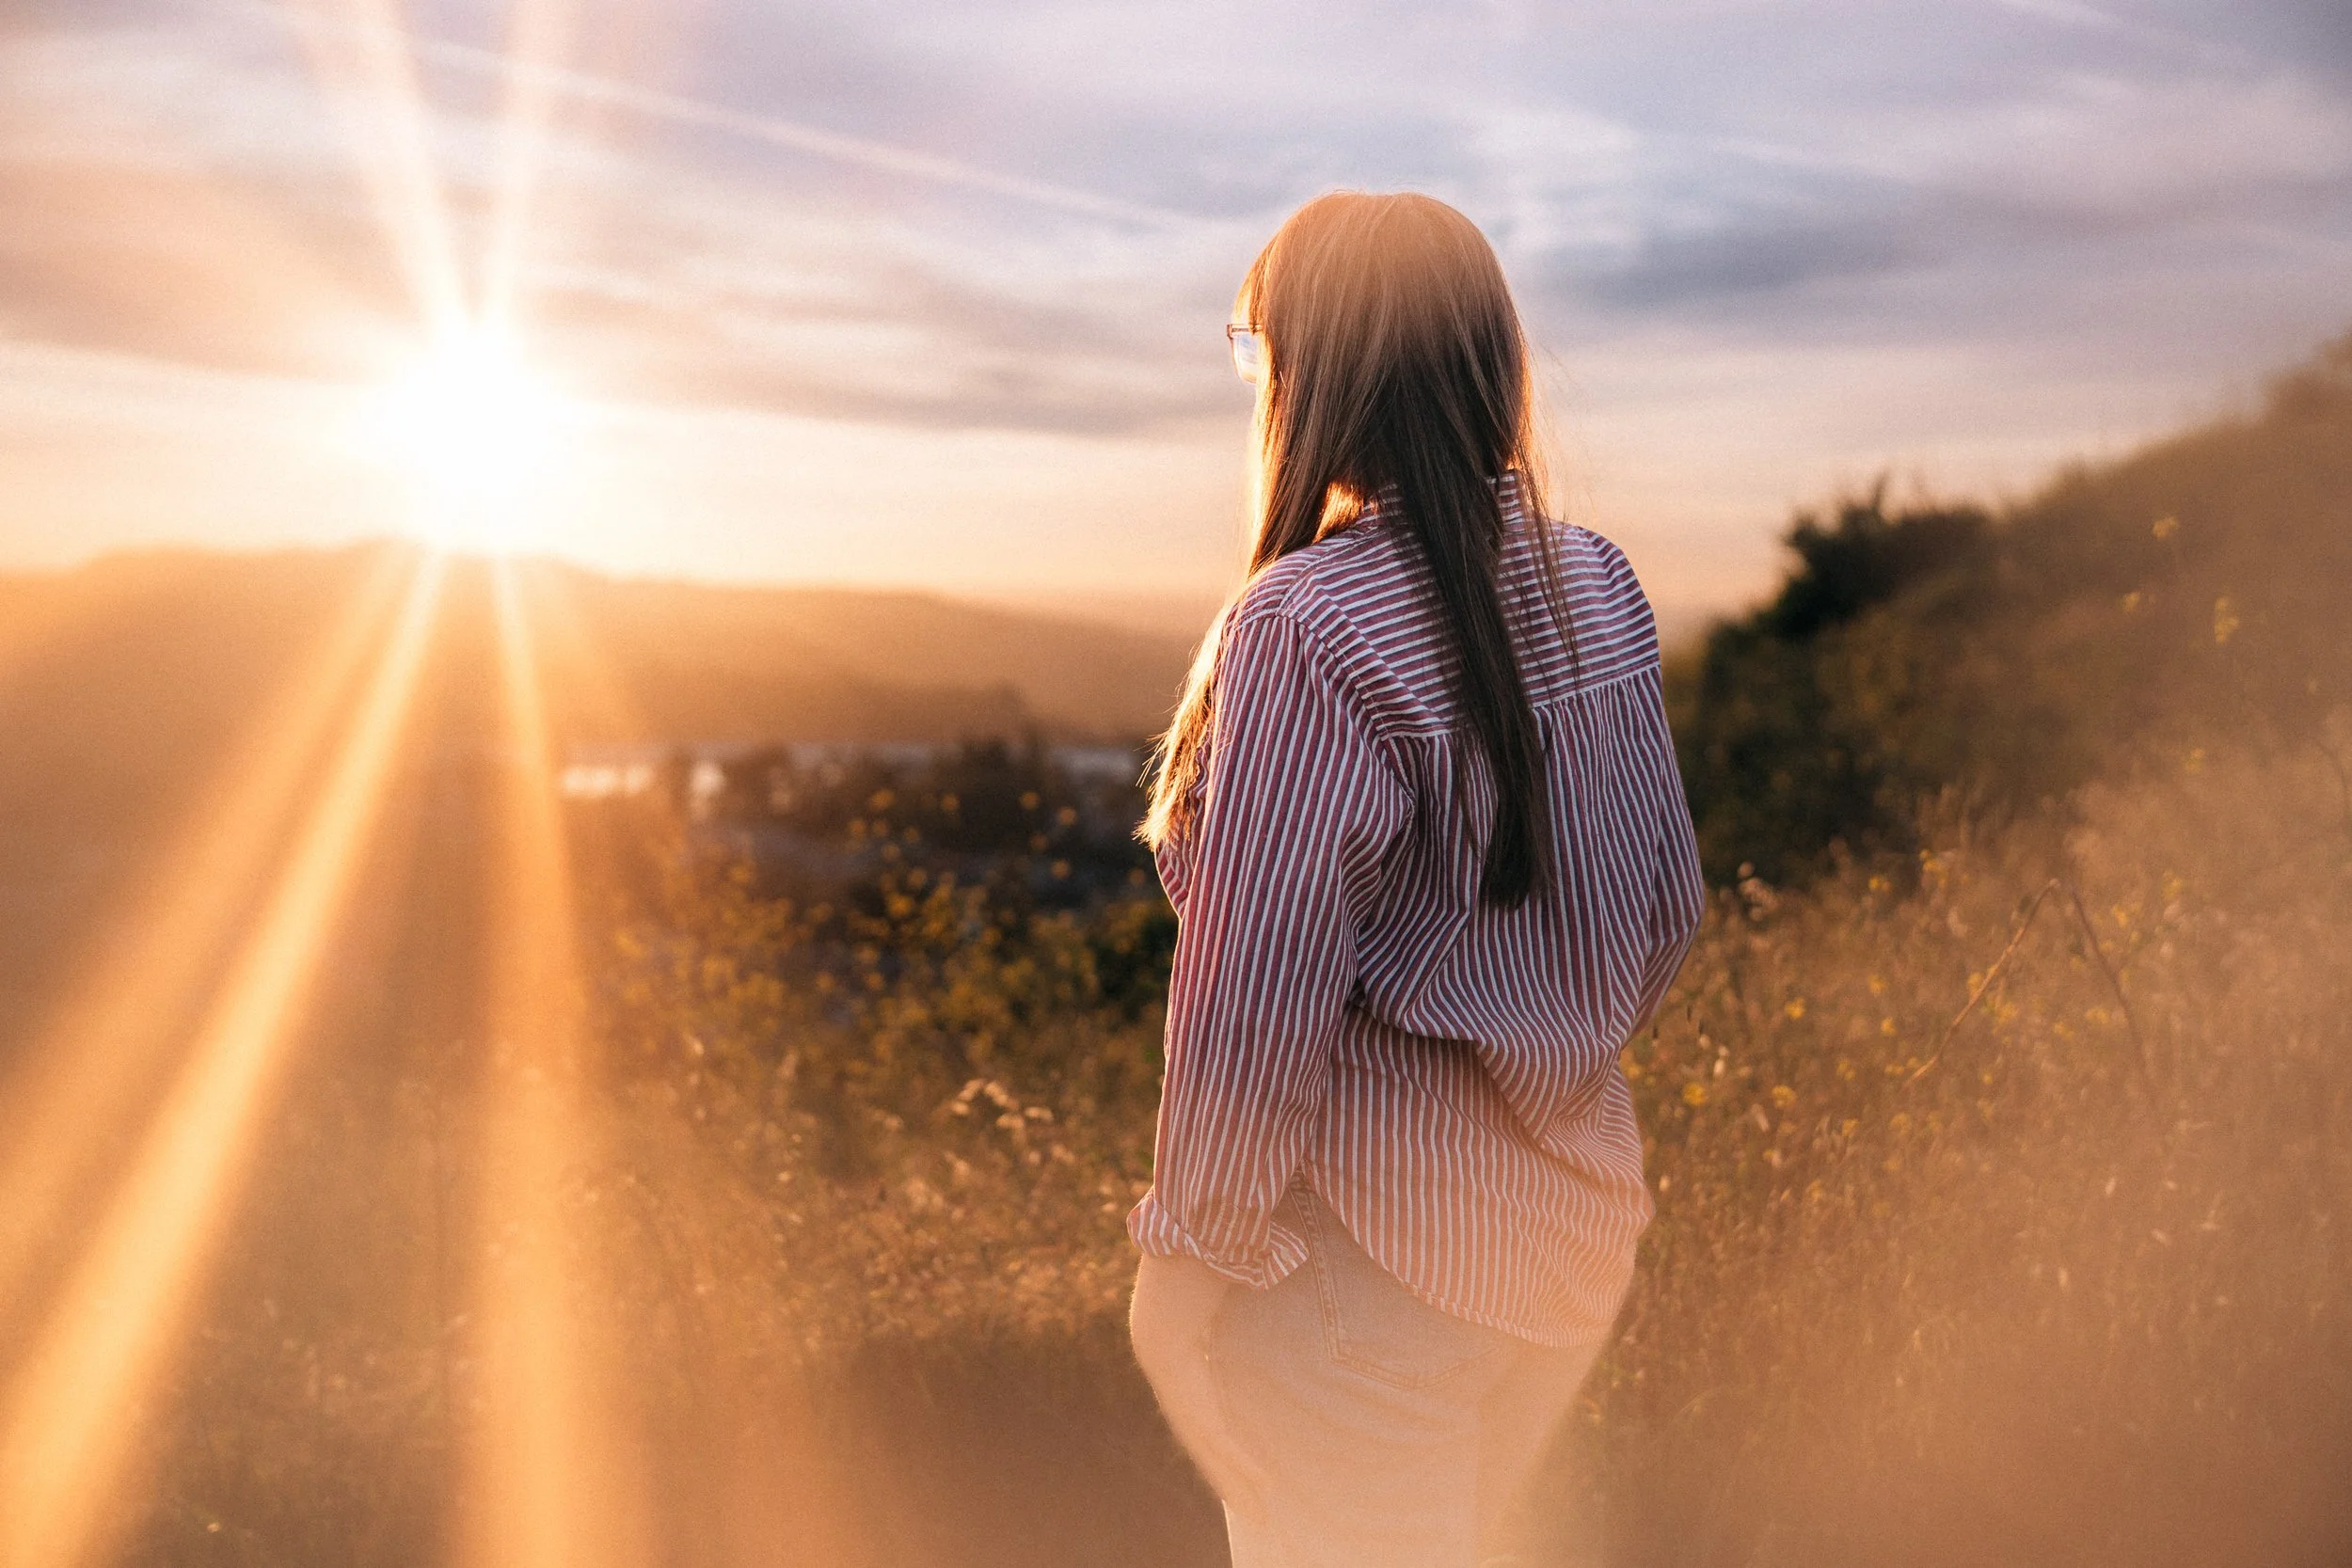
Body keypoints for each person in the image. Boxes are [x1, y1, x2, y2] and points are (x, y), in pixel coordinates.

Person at [1125, 190, 1707, 1568]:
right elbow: (1666, 912)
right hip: (1566, 1252)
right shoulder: (1598, 583)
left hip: (1360, 1276)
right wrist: (1535, 1038)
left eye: (1257, 347)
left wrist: (1179, 1269)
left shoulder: (1303, 628)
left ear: (1310, 376)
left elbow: (1252, 1003)